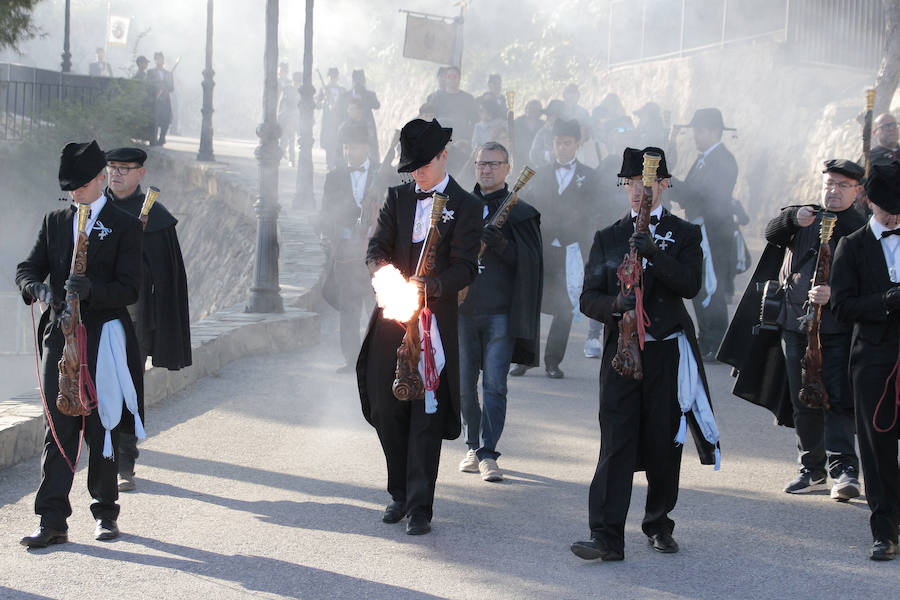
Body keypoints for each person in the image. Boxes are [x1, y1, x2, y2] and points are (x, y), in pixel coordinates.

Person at [571, 146, 720, 562]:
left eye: (649, 183)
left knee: (662, 441)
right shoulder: (608, 236)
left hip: (665, 352)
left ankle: (658, 522)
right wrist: (614, 305)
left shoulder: (686, 234)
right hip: (621, 352)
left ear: (665, 184)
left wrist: (655, 253)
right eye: (633, 183)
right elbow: (588, 298)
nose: (640, 190)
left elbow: (691, 284)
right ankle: (605, 536)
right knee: (615, 442)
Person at [16, 141, 144, 548]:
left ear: (101, 179)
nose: (75, 194)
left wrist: (93, 291)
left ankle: (105, 513)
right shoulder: (55, 221)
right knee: (58, 426)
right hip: (61, 336)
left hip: (103, 336)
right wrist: (35, 287)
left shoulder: (125, 225)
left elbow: (131, 288)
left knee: (102, 426)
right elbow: (28, 267)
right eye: (70, 188)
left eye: (82, 186)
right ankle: (51, 519)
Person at [356, 118, 481, 535]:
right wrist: (387, 277)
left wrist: (434, 286)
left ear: (444, 156)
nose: (417, 174)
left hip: (433, 325)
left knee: (426, 413)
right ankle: (398, 492)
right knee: (386, 406)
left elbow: (466, 267)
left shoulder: (467, 205)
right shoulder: (397, 198)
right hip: (393, 314)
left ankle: (420, 505)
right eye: (411, 168)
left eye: (423, 166)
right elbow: (376, 249)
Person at [104, 146, 191, 492]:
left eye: (124, 168)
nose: (116, 174)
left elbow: (168, 277)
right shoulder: (94, 208)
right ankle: (100, 459)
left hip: (133, 319)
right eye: (112, 168)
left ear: (140, 173)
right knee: (95, 387)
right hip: (93, 313)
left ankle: (124, 462)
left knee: (126, 386)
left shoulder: (156, 217)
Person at [457, 142, 542, 482]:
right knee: (464, 384)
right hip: (463, 310)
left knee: (494, 385)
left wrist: (502, 245)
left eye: (494, 164)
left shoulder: (522, 213)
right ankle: (472, 445)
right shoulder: (460, 207)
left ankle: (488, 452)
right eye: (481, 163)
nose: (487, 169)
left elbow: (531, 266)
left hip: (501, 313)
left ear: (508, 168)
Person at [831, 161, 900, 561]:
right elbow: (841, 307)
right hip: (873, 358)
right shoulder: (852, 245)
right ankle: (884, 530)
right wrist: (885, 301)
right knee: (877, 448)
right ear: (870, 201)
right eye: (888, 209)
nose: (894, 217)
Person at [512, 119, 596, 379]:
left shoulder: (590, 176)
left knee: (565, 304)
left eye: (567, 143)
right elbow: (527, 209)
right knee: (530, 301)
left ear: (577, 144)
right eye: (558, 143)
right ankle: (524, 358)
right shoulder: (539, 174)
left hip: (571, 249)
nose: (562, 147)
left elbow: (594, 213)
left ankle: (552, 361)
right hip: (541, 246)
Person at [670, 108, 744, 359]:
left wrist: (669, 181)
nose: (695, 136)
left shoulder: (723, 160)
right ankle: (706, 339)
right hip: (700, 231)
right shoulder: (704, 159)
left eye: (699, 131)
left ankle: (715, 343)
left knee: (712, 287)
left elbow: (703, 195)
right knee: (700, 287)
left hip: (714, 233)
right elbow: (689, 195)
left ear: (713, 131)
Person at [318, 123, 375, 373]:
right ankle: (352, 360)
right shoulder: (334, 177)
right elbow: (326, 213)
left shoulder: (385, 175)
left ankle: (378, 358)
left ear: (366, 147)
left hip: (377, 256)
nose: (348, 153)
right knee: (349, 311)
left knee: (378, 311)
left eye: (353, 147)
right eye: (345, 148)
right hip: (345, 254)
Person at [426, 66, 479, 146]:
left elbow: (475, 120)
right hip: (440, 140)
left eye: (454, 76)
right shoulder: (437, 98)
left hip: (461, 141)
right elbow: (429, 118)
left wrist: (467, 138)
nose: (451, 79)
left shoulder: (468, 98)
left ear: (459, 78)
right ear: (445, 78)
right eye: (449, 76)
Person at [336, 70, 380, 164]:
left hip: (361, 126)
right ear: (364, 81)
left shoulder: (367, 94)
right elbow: (377, 105)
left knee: (367, 147)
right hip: (357, 125)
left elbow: (376, 105)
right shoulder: (368, 94)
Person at [317, 67, 346, 170]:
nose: (333, 78)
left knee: (338, 141)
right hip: (328, 120)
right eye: (331, 76)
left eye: (334, 76)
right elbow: (318, 104)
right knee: (329, 141)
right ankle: (330, 163)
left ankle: (336, 162)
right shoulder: (324, 89)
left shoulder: (342, 90)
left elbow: (345, 105)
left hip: (339, 119)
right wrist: (325, 102)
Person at [147, 52, 174, 146]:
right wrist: (158, 87)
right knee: (155, 120)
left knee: (166, 120)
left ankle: (162, 138)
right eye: (158, 59)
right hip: (155, 99)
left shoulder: (168, 73)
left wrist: (167, 84)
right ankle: (153, 139)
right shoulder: (150, 72)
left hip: (165, 100)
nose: (160, 61)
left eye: (161, 58)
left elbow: (171, 88)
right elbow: (148, 85)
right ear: (155, 60)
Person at [528, 99, 565, 168]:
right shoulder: (543, 132)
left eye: (552, 115)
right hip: (545, 170)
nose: (549, 117)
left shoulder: (569, 132)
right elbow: (533, 155)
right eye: (548, 115)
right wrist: (548, 154)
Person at [278, 71, 302, 167]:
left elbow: (281, 102)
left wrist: (280, 114)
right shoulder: (291, 89)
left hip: (291, 116)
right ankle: (289, 158)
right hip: (291, 116)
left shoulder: (288, 89)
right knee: (289, 138)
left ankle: (287, 157)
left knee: (288, 138)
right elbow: (282, 102)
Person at [512, 99, 543, 168]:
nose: (532, 111)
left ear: (540, 112)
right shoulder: (517, 123)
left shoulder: (543, 124)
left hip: (536, 159)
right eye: (530, 108)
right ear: (526, 109)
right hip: (520, 159)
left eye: (535, 109)